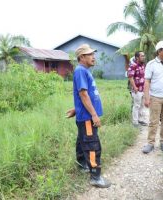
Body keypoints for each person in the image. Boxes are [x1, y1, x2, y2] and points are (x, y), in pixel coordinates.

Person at [66, 44, 111, 188]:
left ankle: (82, 164)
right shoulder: (80, 71)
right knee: (92, 145)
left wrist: (76, 109)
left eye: (93, 54)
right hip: (88, 118)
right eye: (90, 54)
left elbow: (84, 95)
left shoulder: (83, 71)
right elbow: (83, 94)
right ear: (82, 57)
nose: (93, 57)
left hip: (84, 115)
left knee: (82, 141)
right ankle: (95, 176)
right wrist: (94, 115)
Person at [127, 51, 148, 127]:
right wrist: (135, 87)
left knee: (142, 105)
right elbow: (130, 77)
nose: (144, 57)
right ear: (137, 57)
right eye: (142, 56)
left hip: (143, 89)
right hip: (137, 90)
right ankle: (135, 122)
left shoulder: (143, 66)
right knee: (136, 106)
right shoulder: (133, 66)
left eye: (144, 56)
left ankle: (141, 120)